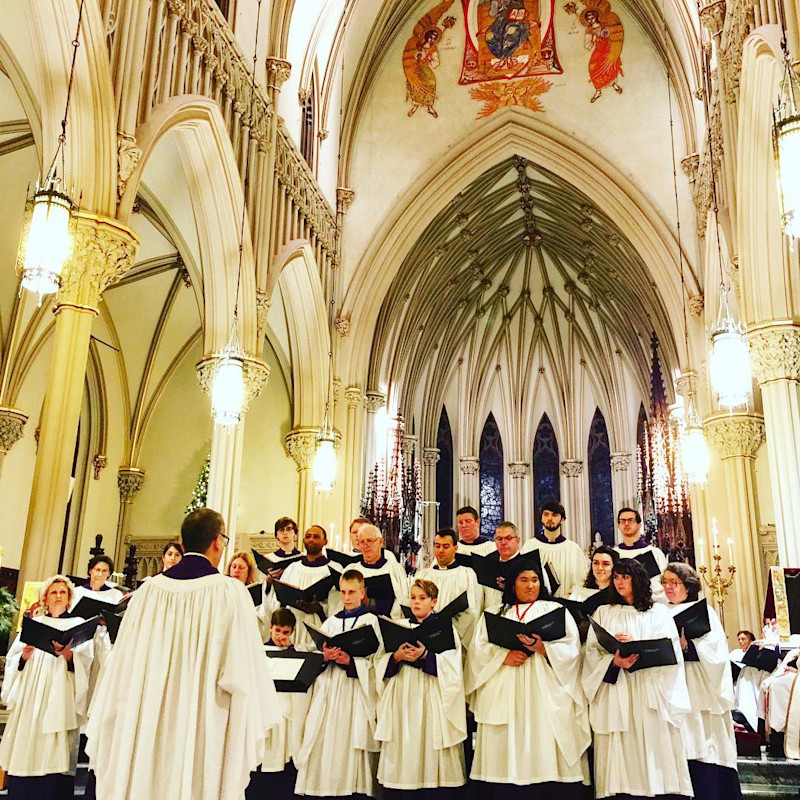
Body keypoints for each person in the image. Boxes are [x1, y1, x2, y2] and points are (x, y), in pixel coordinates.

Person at [85, 507, 282, 800]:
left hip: (147, 715)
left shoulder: (147, 592)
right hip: (204, 717)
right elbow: (241, 673)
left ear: (182, 541)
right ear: (218, 542)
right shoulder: (230, 593)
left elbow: (123, 666)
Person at [466, 560, 591, 799]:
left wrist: (544, 648)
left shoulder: (555, 610)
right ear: (513, 584)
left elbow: (572, 649)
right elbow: (478, 651)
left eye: (535, 580)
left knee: (545, 736)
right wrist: (503, 656)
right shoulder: (495, 613)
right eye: (524, 580)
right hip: (506, 685)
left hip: (544, 685)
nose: (530, 585)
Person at [583, 559, 692, 799]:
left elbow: (671, 651)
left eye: (625, 577)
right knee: (619, 755)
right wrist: (614, 661)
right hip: (617, 689)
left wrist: (637, 646)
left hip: (648, 690)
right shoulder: (604, 612)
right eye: (616, 577)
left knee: (651, 751)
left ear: (638, 579)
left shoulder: (658, 612)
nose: (619, 582)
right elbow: (591, 654)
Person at [0, 575, 94, 800]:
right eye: (54, 592)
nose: (58, 596)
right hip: (31, 695)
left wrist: (68, 655)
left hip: (59, 694)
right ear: (45, 598)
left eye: (63, 592)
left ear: (69, 598)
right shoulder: (35, 623)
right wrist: (24, 656)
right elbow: (14, 660)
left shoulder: (77, 624)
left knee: (53, 745)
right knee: (27, 741)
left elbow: (85, 664)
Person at [294, 569, 382, 798]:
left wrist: (351, 662)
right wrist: (325, 657)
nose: (347, 597)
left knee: (349, 745)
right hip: (329, 688)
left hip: (355, 690)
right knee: (324, 742)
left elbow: (378, 662)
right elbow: (315, 653)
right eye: (343, 592)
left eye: (352, 592)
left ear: (362, 592)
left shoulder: (372, 621)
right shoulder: (331, 622)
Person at [375, 579, 467, 798]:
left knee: (431, 746)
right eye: (413, 598)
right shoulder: (399, 625)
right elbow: (379, 662)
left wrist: (426, 656)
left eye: (422, 598)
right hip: (403, 693)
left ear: (433, 602)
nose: (416, 602)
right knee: (404, 745)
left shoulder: (444, 628)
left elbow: (454, 665)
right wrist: (396, 657)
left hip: (431, 692)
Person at [662, 564, 741, 798]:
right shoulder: (659, 612)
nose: (668, 588)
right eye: (665, 583)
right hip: (671, 684)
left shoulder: (705, 612)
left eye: (674, 583)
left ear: (688, 586)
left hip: (700, 686)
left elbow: (717, 653)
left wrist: (688, 646)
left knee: (704, 742)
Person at [246, 608, 310, 799]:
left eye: (286, 632)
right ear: (270, 628)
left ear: (292, 632)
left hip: (286, 713)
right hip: (264, 713)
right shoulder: (259, 651)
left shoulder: (297, 652)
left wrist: (290, 650)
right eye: (277, 631)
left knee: (284, 759)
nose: (281, 636)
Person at [273, 525, 341, 647]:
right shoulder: (292, 568)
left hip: (317, 624)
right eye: (308, 536)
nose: (311, 540)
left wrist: (319, 608)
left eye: (316, 537)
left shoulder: (334, 569)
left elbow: (338, 604)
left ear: (325, 542)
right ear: (303, 540)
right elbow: (278, 599)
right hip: (291, 624)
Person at [415, 527, 482, 646]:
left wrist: (447, 632)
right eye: (437, 546)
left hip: (454, 639)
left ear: (455, 548)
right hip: (424, 637)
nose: (441, 550)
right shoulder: (423, 575)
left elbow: (472, 611)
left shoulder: (467, 574)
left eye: (446, 546)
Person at [522, 501, 589, 599]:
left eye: (554, 515)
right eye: (546, 514)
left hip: (566, 603)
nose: (550, 518)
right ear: (541, 518)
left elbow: (581, 582)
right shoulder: (530, 546)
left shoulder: (573, 549)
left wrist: (568, 597)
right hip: (536, 604)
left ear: (562, 519)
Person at [612, 507, 668, 603]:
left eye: (630, 520)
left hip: (649, 603)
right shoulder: (613, 554)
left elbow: (663, 582)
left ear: (639, 525)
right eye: (623, 521)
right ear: (618, 526)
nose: (626, 524)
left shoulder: (654, 552)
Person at [354, 524, 409, 618]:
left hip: (389, 622)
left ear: (380, 542)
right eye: (362, 542)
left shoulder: (395, 569)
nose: (366, 545)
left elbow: (402, 599)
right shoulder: (354, 570)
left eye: (369, 541)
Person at [729, 629, 768, 733]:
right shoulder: (735, 653)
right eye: (739, 640)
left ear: (751, 640)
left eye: (743, 639)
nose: (741, 642)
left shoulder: (758, 652)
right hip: (737, 682)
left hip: (753, 681)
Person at [480, 521, 525, 610]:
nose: (503, 542)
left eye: (508, 538)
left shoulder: (528, 563)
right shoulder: (487, 563)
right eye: (499, 539)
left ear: (517, 540)